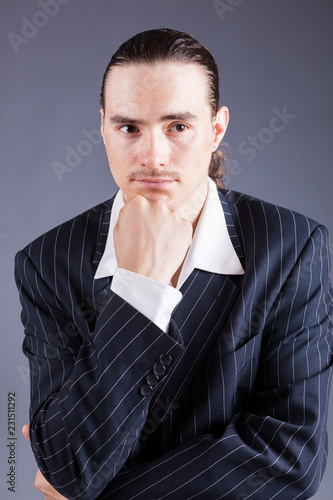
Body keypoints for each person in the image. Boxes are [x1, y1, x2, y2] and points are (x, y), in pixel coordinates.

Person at [15, 28, 333, 500]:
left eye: (177, 127)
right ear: (103, 128)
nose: (153, 157)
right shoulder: (48, 262)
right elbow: (68, 464)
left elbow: (288, 458)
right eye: (129, 128)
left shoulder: (292, 247)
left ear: (216, 128)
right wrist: (139, 291)